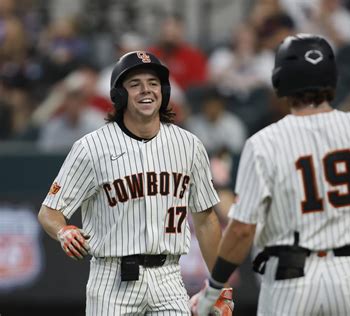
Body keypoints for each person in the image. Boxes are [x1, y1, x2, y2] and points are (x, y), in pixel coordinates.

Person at [193, 16, 350, 315]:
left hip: (290, 281)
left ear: (280, 82)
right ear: (333, 79)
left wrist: (213, 292)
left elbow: (241, 232)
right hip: (349, 277)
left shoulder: (264, 143)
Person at [37, 51, 233, 315]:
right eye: (135, 84)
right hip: (112, 280)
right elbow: (49, 212)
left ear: (164, 90)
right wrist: (63, 231)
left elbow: (206, 220)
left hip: (169, 278)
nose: (146, 90)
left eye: (153, 83)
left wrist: (219, 286)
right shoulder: (91, 147)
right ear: (119, 95)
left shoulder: (189, 145)